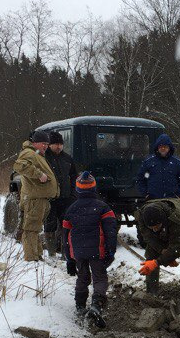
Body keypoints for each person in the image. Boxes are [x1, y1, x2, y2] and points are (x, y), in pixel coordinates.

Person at [60, 172, 117, 320]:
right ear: (94, 189)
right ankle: (96, 305)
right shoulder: (103, 208)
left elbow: (65, 236)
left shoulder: (71, 209)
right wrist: (111, 252)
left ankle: (80, 307)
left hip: (78, 253)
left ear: (77, 189)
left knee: (82, 278)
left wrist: (69, 259)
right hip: (97, 251)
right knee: (99, 278)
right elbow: (111, 233)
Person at [136, 198, 180, 294]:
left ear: (162, 220)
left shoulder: (175, 218)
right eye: (151, 227)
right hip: (166, 225)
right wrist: (163, 253)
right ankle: (151, 293)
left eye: (156, 226)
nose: (154, 230)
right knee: (151, 255)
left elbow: (177, 247)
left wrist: (158, 262)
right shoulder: (142, 216)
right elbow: (149, 237)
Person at [12, 131, 59, 261]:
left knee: (35, 228)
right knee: (31, 229)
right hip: (35, 198)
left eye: (47, 144)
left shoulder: (36, 154)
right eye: (43, 144)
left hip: (40, 198)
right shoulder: (29, 153)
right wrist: (39, 174)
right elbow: (19, 166)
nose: (45, 146)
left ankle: (37, 255)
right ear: (35, 143)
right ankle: (31, 259)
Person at [43, 131, 78, 256]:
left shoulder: (67, 158)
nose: (58, 146)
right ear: (49, 145)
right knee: (50, 225)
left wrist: (73, 193)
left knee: (66, 226)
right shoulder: (44, 158)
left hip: (66, 198)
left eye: (60, 144)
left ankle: (66, 253)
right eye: (55, 144)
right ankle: (51, 252)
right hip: (51, 198)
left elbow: (74, 176)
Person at [135, 133, 180, 201]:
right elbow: (140, 179)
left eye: (165, 147)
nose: (163, 149)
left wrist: (178, 194)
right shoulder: (148, 161)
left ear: (169, 148)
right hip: (152, 200)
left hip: (172, 200)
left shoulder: (177, 163)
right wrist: (146, 194)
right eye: (161, 147)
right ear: (157, 148)